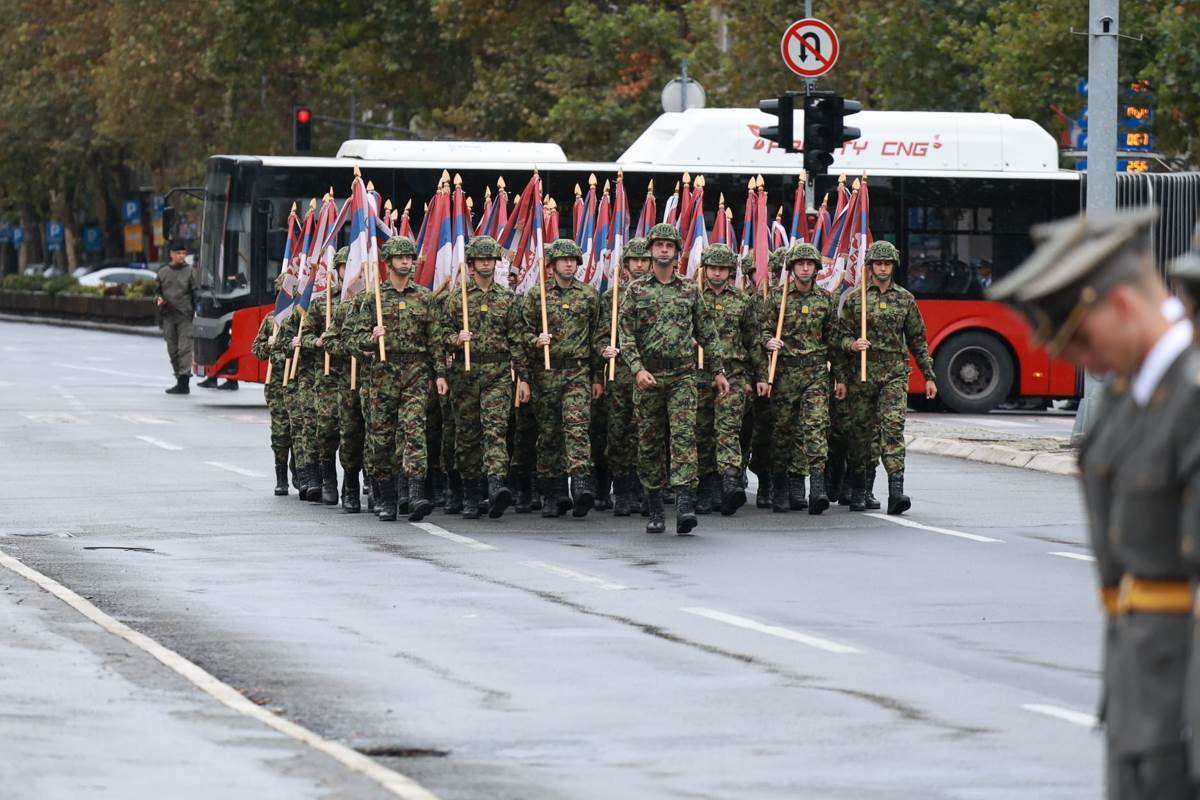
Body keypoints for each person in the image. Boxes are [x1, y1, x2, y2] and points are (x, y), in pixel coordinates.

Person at [990, 208, 1198, 800]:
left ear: (1124, 307)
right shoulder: (1129, 399)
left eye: (1080, 339)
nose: (1078, 360)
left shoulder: (1191, 400)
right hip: (1143, 705)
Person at [617, 223, 729, 535]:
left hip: (682, 375)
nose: (664, 249)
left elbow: (707, 331)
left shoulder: (689, 289)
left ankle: (684, 505)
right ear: (650, 251)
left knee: (683, 439)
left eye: (669, 245)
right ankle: (654, 508)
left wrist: (718, 370)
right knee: (650, 442)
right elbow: (625, 335)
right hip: (649, 376)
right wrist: (637, 368)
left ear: (677, 252)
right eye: (659, 245)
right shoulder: (636, 291)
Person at [344, 235, 439, 523]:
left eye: (410, 257)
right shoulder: (371, 298)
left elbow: (434, 340)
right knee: (381, 439)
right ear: (388, 263)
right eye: (400, 257)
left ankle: (416, 493)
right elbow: (350, 338)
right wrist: (371, 339)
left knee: (414, 431)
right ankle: (386, 498)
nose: (406, 262)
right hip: (381, 374)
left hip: (415, 372)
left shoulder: (424, 298)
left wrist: (440, 374)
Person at [838, 240, 937, 515]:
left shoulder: (904, 299)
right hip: (863, 375)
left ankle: (896, 491)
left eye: (887, 264)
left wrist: (928, 375)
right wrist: (852, 345)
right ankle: (861, 490)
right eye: (878, 264)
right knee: (861, 434)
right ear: (869, 267)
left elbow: (918, 339)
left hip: (893, 373)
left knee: (892, 430)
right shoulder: (857, 299)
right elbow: (840, 336)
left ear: (893, 266)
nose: (882, 268)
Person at [444, 236, 527, 519]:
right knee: (467, 435)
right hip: (465, 375)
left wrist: (523, 377)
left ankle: (495, 487)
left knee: (495, 430)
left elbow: (517, 340)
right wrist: (456, 338)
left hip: (498, 373)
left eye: (490, 259)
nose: (486, 263)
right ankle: (470, 493)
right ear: (470, 264)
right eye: (480, 259)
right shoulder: (457, 299)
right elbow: (438, 336)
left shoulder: (507, 300)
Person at [521, 238, 603, 518]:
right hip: (546, 373)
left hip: (577, 372)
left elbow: (596, 339)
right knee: (550, 434)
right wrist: (535, 340)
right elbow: (520, 334)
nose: (569, 264)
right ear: (552, 264)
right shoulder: (537, 296)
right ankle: (552, 493)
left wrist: (596, 376)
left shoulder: (589, 295)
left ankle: (581, 485)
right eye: (564, 260)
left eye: (573, 260)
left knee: (577, 426)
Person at [760, 242, 838, 515]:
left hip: (815, 371)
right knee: (783, 430)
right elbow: (762, 331)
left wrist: (838, 377)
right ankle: (782, 487)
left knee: (815, 427)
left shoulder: (826, 300)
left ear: (816, 269)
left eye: (810, 264)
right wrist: (768, 341)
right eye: (800, 264)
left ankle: (815, 486)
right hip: (785, 373)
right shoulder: (778, 298)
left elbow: (833, 340)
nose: (805, 268)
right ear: (792, 268)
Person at [696, 243, 760, 516]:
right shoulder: (693, 298)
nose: (718, 273)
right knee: (702, 433)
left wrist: (759, 376)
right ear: (705, 269)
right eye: (713, 268)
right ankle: (705, 489)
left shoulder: (742, 301)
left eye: (723, 269)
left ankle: (730, 482)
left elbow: (753, 341)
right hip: (699, 375)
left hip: (732, 374)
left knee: (727, 429)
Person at [600, 238, 651, 516]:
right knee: (619, 433)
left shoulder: (657, 294)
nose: (640, 265)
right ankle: (622, 491)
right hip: (619, 374)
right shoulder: (611, 298)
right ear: (627, 265)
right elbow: (598, 336)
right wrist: (603, 349)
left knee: (647, 432)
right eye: (635, 261)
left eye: (645, 260)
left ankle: (645, 489)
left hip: (649, 373)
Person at [250, 274, 293, 495]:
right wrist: (268, 345)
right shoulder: (270, 320)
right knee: (280, 431)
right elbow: (256, 351)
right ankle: (281, 477)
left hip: (299, 382)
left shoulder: (304, 318)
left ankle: (300, 470)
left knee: (302, 430)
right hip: (276, 384)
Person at [155, 239, 198, 395]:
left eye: (184, 253)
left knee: (184, 350)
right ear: (171, 254)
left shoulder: (191, 272)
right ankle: (178, 377)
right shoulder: (162, 272)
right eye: (178, 253)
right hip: (168, 316)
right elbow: (157, 291)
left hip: (185, 317)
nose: (181, 256)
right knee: (172, 350)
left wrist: (196, 311)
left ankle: (184, 382)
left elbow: (196, 293)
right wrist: (159, 299)